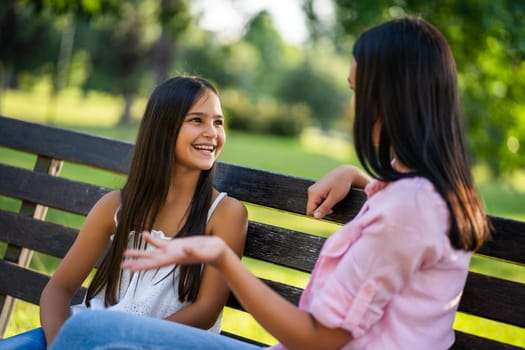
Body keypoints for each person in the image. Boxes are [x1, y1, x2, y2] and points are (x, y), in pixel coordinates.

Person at [49, 16, 491, 350]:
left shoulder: (410, 207)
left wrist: (223, 259)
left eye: (358, 91)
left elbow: (319, 338)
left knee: (92, 329)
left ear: (392, 98)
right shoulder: (415, 194)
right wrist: (356, 176)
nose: (348, 106)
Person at [0, 76, 248, 349]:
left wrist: (125, 339)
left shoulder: (226, 214)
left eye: (218, 122)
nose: (212, 132)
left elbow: (206, 310)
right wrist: (62, 344)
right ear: (163, 128)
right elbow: (57, 290)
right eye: (197, 120)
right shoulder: (115, 207)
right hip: (88, 335)